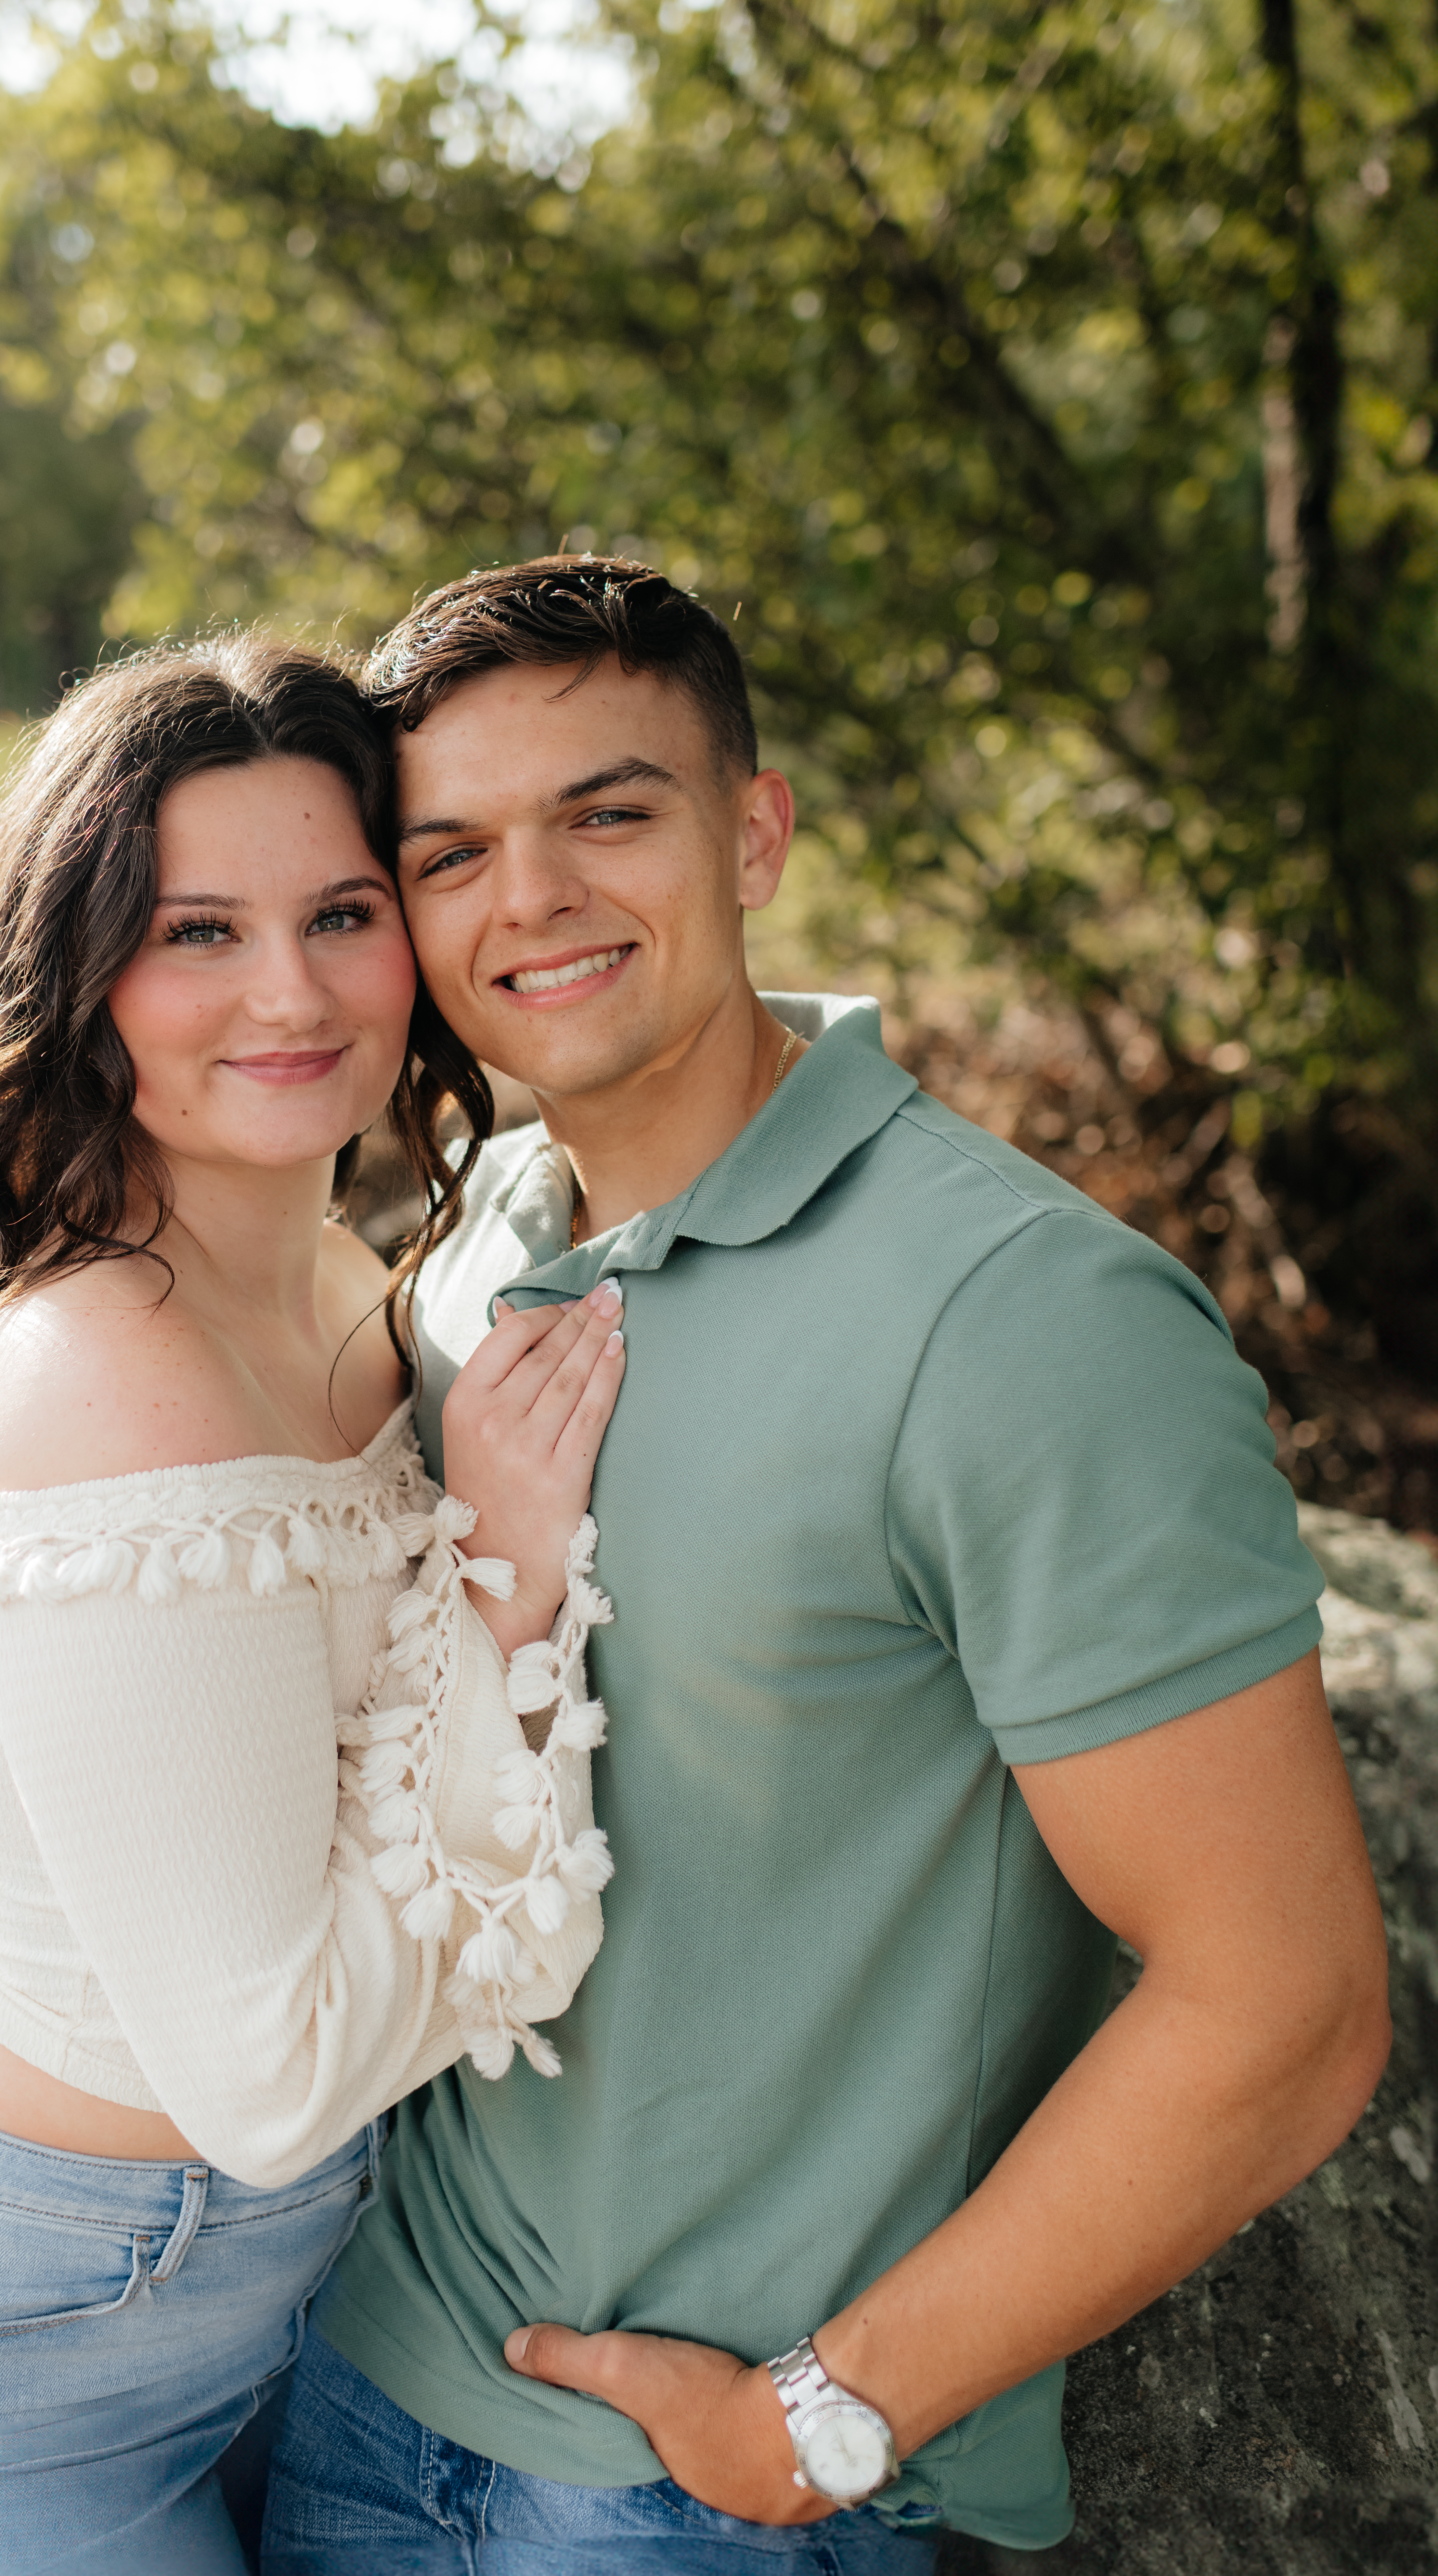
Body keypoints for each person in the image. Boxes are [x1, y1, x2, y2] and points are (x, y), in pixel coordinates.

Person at [262, 559, 1391, 2572]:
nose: (528, 898)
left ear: (753, 833)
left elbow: (1285, 2002)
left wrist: (814, 2421)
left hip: (700, 2510)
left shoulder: (1025, 1321)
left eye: (608, 813)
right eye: (450, 853)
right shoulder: (478, 1246)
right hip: (363, 2379)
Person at [0, 635, 627, 2575]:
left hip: (291, 2297)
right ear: (80, 984)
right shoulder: (105, 1380)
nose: (292, 992)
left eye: (340, 911)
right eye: (196, 931)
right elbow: (273, 2072)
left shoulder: (339, 1279)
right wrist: (505, 1579)